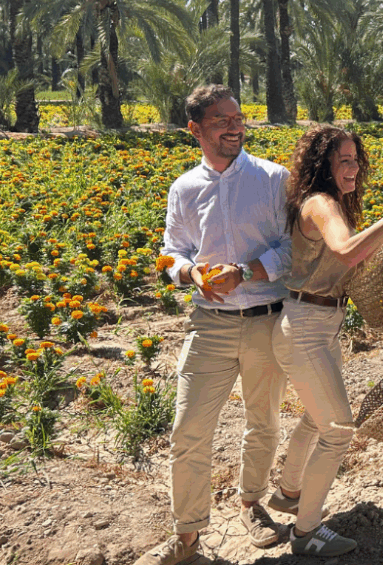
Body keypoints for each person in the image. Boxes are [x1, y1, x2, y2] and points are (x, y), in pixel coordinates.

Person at [265, 125, 383, 556]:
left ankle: (289, 493)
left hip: (320, 324)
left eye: (356, 161)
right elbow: (346, 251)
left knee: (316, 419)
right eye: (344, 161)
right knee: (338, 430)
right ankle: (305, 533)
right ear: (323, 165)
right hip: (306, 326)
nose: (353, 169)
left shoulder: (332, 203)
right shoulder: (321, 204)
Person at [140, 85, 291, 565]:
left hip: (268, 319)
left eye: (238, 118)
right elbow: (172, 252)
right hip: (209, 324)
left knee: (263, 422)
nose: (234, 127)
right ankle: (186, 537)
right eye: (221, 120)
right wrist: (190, 274)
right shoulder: (184, 188)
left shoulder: (273, 178)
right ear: (195, 129)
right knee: (187, 431)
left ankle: (252, 505)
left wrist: (246, 271)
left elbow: (294, 247)